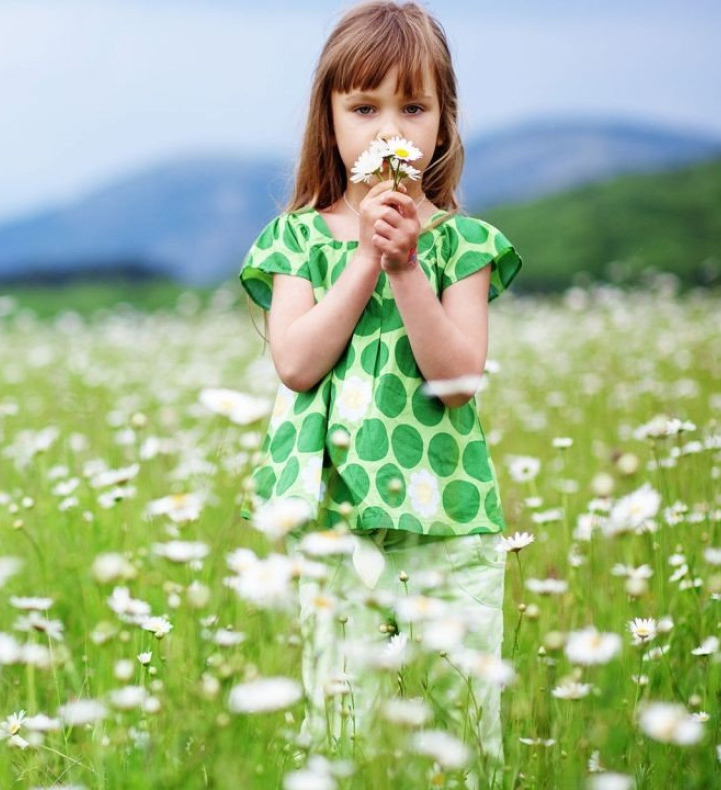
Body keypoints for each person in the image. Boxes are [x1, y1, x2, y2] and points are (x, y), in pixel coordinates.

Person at [235, 1, 523, 787]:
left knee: (462, 720)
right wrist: (365, 258)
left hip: (447, 513)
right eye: (364, 108)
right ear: (328, 121)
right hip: (336, 521)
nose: (388, 130)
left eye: (413, 107)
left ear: (443, 123)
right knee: (342, 721)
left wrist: (406, 268)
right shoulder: (298, 238)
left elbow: (458, 382)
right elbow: (296, 363)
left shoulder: (463, 244)